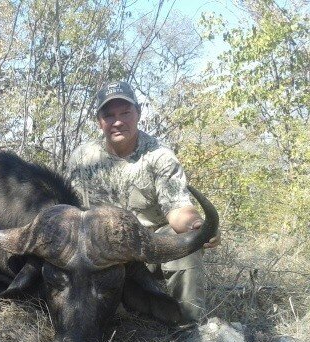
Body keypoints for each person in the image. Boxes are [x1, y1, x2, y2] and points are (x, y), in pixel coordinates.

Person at [66, 81, 220, 324]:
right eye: (109, 115)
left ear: (138, 114)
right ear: (100, 122)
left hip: (147, 248)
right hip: (99, 255)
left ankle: (188, 326)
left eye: (125, 113)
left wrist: (197, 226)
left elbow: (178, 209)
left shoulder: (159, 156)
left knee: (185, 245)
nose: (118, 121)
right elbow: (72, 212)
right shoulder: (83, 158)